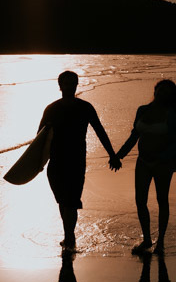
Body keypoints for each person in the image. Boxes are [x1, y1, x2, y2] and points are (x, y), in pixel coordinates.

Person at [39, 71, 121, 250]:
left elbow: (100, 130)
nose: (69, 87)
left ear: (77, 85)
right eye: (65, 84)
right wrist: (35, 164)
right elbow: (38, 138)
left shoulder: (85, 107)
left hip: (76, 161)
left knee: (72, 201)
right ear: (60, 86)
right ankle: (68, 234)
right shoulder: (51, 109)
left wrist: (112, 155)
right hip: (56, 162)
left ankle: (69, 237)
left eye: (72, 83)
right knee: (63, 201)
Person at [116, 79, 176, 255]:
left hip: (164, 163)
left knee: (162, 200)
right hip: (143, 162)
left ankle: (160, 242)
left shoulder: (170, 115)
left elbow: (175, 144)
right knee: (140, 201)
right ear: (154, 91)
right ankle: (147, 239)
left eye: (166, 91)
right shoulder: (142, 110)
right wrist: (118, 155)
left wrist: (161, 157)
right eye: (160, 89)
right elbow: (134, 136)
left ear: (170, 96)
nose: (162, 93)